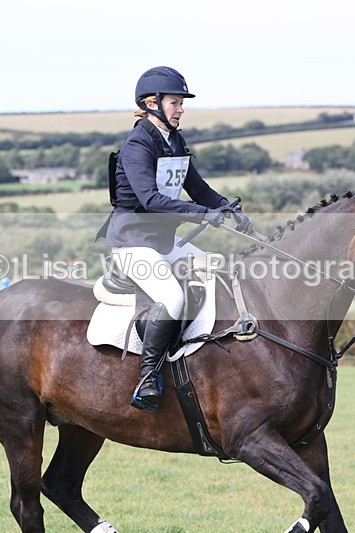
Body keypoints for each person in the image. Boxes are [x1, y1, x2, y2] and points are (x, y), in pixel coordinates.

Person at [96, 66, 251, 413]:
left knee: (220, 272)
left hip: (165, 243)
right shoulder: (137, 145)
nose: (181, 109)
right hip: (133, 243)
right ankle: (148, 377)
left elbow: (198, 189)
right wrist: (202, 214)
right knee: (173, 297)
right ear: (151, 103)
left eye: (182, 103)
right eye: (175, 103)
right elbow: (151, 200)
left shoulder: (175, 141)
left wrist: (226, 208)